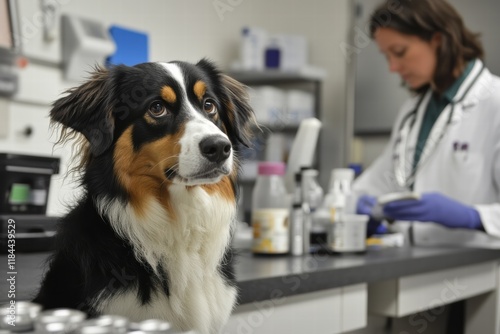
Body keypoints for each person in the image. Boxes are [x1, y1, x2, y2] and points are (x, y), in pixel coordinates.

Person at [353, 0, 500, 240]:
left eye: (400, 52)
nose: (392, 67)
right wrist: (359, 206)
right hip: (415, 265)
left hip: (480, 271)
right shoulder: (411, 113)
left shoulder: (494, 102)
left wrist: (473, 217)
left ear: (438, 40)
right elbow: (378, 183)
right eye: (386, 56)